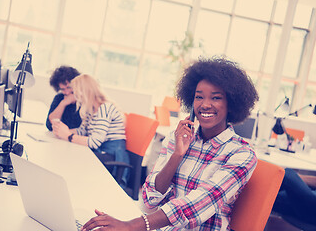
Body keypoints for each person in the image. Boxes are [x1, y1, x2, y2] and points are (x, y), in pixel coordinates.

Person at [81, 57, 259, 231]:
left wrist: (131, 226)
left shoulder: (242, 154)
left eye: (216, 98)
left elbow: (198, 203)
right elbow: (149, 198)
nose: (205, 105)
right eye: (199, 97)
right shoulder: (179, 138)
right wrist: (177, 155)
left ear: (232, 103)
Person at [52, 74, 130, 184]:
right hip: (102, 152)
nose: (73, 95)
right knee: (70, 155)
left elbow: (94, 142)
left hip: (112, 156)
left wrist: (68, 136)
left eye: (75, 92)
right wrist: (62, 131)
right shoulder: (91, 108)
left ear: (83, 92)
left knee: (73, 159)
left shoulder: (104, 108)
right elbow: (83, 131)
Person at [46, 66, 82, 132]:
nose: (67, 92)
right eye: (63, 89)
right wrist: (63, 103)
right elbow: (49, 125)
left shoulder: (85, 100)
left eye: (69, 87)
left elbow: (82, 130)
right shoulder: (59, 97)